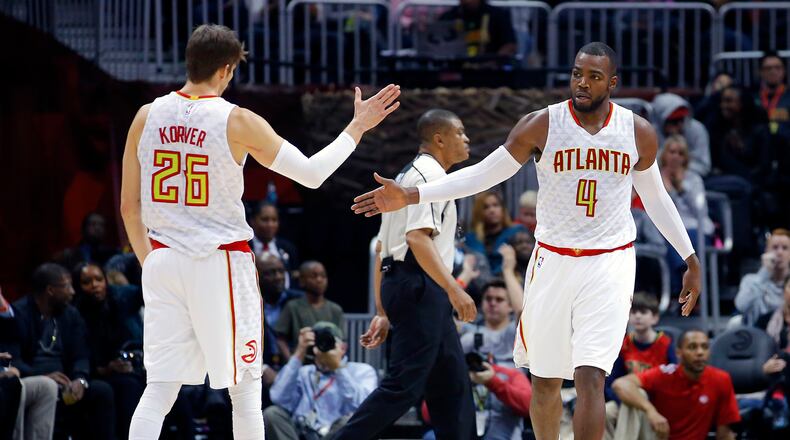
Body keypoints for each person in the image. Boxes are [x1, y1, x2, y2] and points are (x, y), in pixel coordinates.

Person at [351, 42, 702, 440]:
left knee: (591, 375)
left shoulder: (637, 132)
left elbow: (656, 197)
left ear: (613, 83)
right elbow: (484, 174)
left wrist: (690, 257)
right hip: (552, 260)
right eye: (577, 74)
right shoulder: (542, 124)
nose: (582, 83)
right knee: (547, 380)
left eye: (594, 77)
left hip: (610, 261)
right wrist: (413, 194)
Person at [120, 24, 399, 440]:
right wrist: (356, 127)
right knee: (246, 391)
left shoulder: (146, 115)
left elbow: (129, 206)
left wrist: (151, 264)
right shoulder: (237, 120)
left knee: (160, 388)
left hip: (162, 259)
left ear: (189, 61)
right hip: (219, 262)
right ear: (227, 70)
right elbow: (310, 174)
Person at [335, 109, 478, 440]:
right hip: (421, 284)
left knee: (452, 389)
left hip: (409, 284)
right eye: (461, 132)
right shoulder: (429, 177)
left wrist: (383, 312)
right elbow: (416, 238)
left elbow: (381, 250)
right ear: (439, 139)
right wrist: (454, 289)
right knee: (403, 387)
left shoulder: (404, 178)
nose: (467, 138)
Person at [6, 263, 115, 439]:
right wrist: (42, 376)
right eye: (67, 286)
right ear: (50, 290)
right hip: (35, 380)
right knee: (42, 389)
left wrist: (80, 379)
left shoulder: (70, 314)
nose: (73, 292)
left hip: (67, 382)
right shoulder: (19, 314)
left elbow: (81, 355)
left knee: (102, 391)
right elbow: (13, 359)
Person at [612, 329, 740, 440]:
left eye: (705, 347)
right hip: (658, 437)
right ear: (679, 353)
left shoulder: (721, 379)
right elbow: (620, 384)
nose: (700, 352)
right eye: (692, 347)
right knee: (615, 408)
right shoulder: (664, 374)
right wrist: (650, 411)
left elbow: (724, 434)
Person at [264, 322, 377, 440]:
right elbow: (278, 398)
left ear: (343, 348)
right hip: (302, 433)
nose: (323, 347)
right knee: (272, 414)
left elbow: (364, 408)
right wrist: (299, 353)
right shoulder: (304, 372)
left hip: (335, 435)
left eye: (330, 343)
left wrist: (337, 367)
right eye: (318, 344)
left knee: (348, 422)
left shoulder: (361, 371)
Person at [72, 262, 145, 440]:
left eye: (99, 279)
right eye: (87, 282)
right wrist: (104, 368)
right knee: (128, 387)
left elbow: (141, 293)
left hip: (123, 368)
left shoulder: (118, 298)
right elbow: (80, 354)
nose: (95, 285)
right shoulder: (75, 313)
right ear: (78, 286)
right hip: (94, 372)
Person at [459, 279, 531, 439]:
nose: (492, 303)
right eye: (488, 299)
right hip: (470, 412)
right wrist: (463, 278)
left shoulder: (516, 334)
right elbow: (444, 316)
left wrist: (508, 271)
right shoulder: (468, 335)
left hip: (505, 420)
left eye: (499, 299)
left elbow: (523, 312)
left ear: (510, 305)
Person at [275, 261, 345, 360]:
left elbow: (342, 340)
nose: (319, 280)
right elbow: (280, 338)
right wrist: (291, 361)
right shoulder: (293, 307)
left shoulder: (335, 309)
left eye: (323, 276)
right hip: (301, 363)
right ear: (302, 280)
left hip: (329, 363)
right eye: (314, 276)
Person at [257, 253, 304, 369]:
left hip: (295, 367)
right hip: (260, 369)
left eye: (281, 271)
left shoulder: (299, 300)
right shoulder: (248, 305)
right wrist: (262, 367)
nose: (278, 277)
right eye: (271, 273)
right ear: (256, 276)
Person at [735, 228, 790, 325]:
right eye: (775, 247)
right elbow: (741, 306)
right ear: (766, 250)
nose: (779, 252)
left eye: (785, 248)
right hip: (756, 336)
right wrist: (764, 274)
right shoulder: (750, 280)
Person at [465, 191, 527, 274]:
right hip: (481, 283)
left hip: (514, 280)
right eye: (486, 207)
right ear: (478, 212)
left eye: (496, 205)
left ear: (503, 209)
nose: (492, 210)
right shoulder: (472, 239)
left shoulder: (517, 232)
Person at [651, 93, 711, 177]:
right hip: (658, 177)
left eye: (681, 119)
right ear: (660, 120)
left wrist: (680, 169)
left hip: (692, 177)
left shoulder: (697, 129)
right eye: (674, 121)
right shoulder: (650, 132)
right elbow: (646, 166)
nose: (679, 125)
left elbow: (703, 165)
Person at [438, 0, 517, 57]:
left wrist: (495, 62)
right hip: (455, 72)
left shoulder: (498, 15)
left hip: (490, 73)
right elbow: (435, 48)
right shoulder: (448, 17)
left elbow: (510, 45)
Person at [249, 201, 299, 273]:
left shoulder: (288, 248)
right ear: (252, 221)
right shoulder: (246, 247)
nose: (270, 225)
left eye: (274, 220)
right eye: (265, 219)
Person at [754, 51, 790, 137]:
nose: (773, 71)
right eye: (768, 68)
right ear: (760, 71)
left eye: (777, 68)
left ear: (784, 70)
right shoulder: (752, 98)